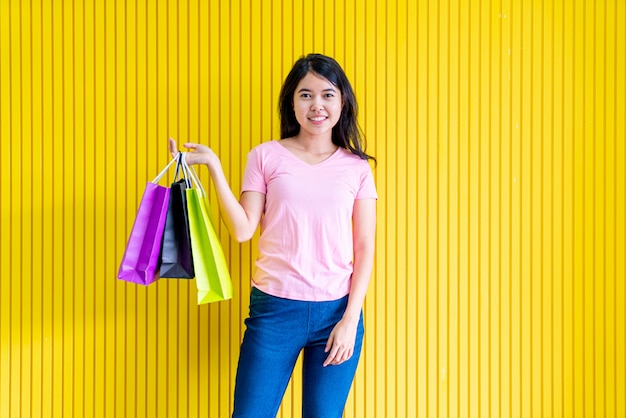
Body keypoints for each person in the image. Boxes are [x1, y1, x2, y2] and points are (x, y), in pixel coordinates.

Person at [169, 53, 377, 418]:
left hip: (337, 312)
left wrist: (350, 320)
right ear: (291, 102)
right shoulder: (265, 157)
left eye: (328, 94)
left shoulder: (356, 168)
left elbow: (364, 247)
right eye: (306, 95)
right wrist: (215, 168)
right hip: (275, 310)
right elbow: (243, 229)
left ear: (342, 102)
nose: (317, 105)